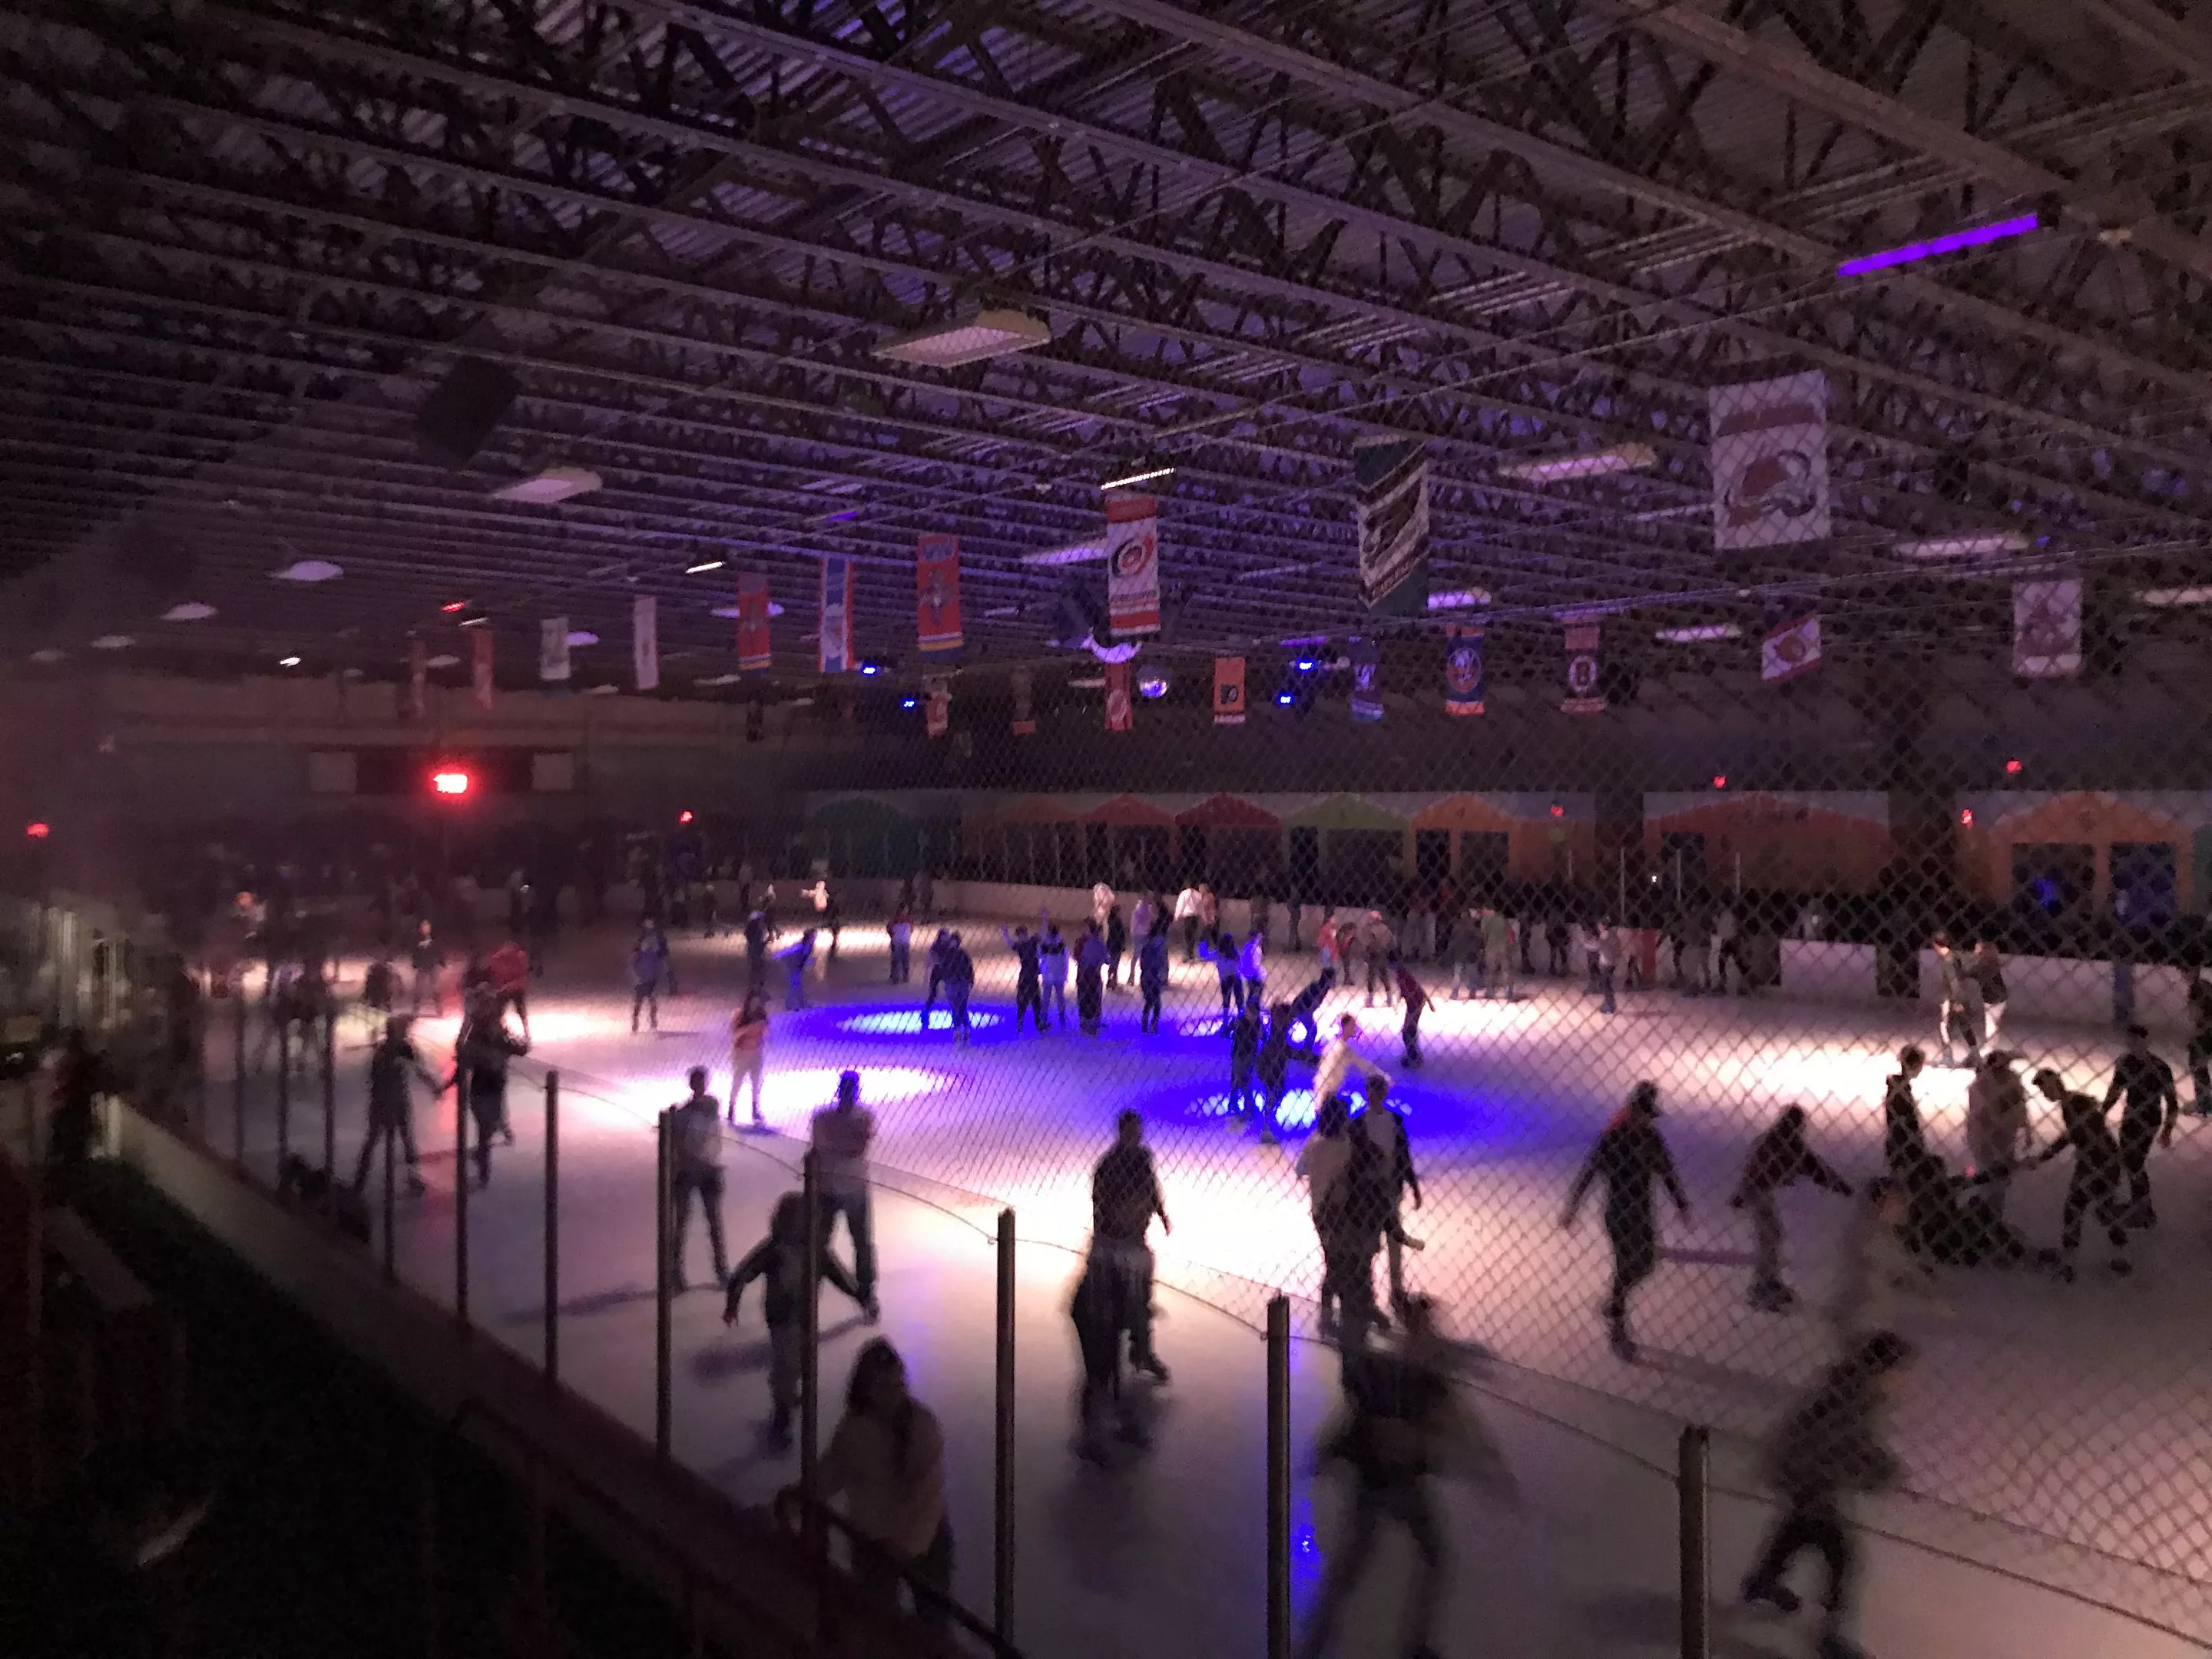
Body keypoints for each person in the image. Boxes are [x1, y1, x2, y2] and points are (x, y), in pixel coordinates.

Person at [1296, 1295, 1514, 1659]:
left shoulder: (1404, 1370)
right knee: (1403, 1559)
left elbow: (1454, 1420)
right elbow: (1363, 1420)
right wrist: (1487, 1469)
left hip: (1391, 1482)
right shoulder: (1410, 1374)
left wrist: (1328, 1453)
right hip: (1386, 1484)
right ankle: (1397, 1645)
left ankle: (1327, 1642)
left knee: (1390, 1560)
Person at [1740, 1333, 1917, 1659]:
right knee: (1843, 1555)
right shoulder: (1860, 1399)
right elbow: (1855, 1448)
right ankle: (1831, 1634)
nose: (1904, 1382)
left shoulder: (1846, 1385)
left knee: (1798, 1528)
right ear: (1884, 1369)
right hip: (1816, 1480)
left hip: (1802, 1473)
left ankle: (1763, 1579)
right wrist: (1886, 1473)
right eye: (1900, 1372)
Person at [805, 1340, 952, 1629]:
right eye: (884, 1387)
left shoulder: (922, 1427)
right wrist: (799, 1500)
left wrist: (902, 1547)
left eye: (898, 1386)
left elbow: (926, 1497)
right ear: (866, 1388)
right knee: (876, 1624)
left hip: (921, 1543)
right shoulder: (855, 1430)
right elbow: (830, 1472)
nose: (893, 1396)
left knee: (931, 1627)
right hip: (873, 1544)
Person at [1562, 1081, 1690, 1363]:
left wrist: (1681, 1204)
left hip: (1642, 1211)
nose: (1646, 1121)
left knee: (1646, 1263)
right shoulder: (1613, 1139)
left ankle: (1614, 1300)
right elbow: (1589, 1172)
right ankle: (1618, 1328)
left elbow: (1667, 1172)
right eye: (1643, 1115)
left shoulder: (1652, 1139)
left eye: (1649, 1116)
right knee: (1624, 1265)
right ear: (1632, 1112)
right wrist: (1573, 1206)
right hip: (1617, 1212)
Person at [726, 1193, 865, 1449]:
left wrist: (859, 1295)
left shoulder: (817, 1251)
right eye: (791, 1220)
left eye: (802, 1220)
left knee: (802, 1361)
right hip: (781, 1317)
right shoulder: (774, 1249)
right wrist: (732, 1302)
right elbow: (744, 1272)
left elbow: (838, 1275)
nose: (796, 1226)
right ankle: (781, 1415)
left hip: (805, 1316)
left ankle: (788, 1392)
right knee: (786, 1364)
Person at [1733, 1106, 1853, 1312]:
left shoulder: (1779, 1142)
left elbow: (1816, 1169)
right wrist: (1842, 1188)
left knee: (1771, 1236)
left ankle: (1767, 1281)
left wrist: (1841, 1187)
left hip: (1759, 1191)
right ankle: (1763, 1285)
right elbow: (1816, 1169)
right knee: (1770, 1236)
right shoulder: (1784, 1144)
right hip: (1758, 1192)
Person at [2028, 1069, 2134, 1280]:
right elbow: (2076, 1134)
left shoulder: (2073, 1104)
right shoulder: (2073, 1102)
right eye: (2042, 1091)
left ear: (2056, 1084)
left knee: (2074, 1209)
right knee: (2105, 1209)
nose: (2045, 1094)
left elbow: (2079, 1134)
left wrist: (2045, 1157)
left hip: (2096, 1163)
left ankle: (2070, 1263)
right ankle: (2120, 1257)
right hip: (2105, 1162)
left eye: (2045, 1089)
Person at [1091, 1110, 1171, 1382]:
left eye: (1138, 1132)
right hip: (1114, 1239)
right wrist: (1106, 1236)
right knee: (1120, 1294)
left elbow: (1153, 1189)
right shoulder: (1109, 1165)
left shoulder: (1142, 1159)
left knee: (1141, 1288)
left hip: (1135, 1238)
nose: (1137, 1136)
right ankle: (1130, 1348)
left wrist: (1162, 1215)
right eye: (1132, 1132)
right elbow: (1099, 1204)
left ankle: (1140, 1347)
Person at [1827, 1177, 1940, 1349]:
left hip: (1873, 1318)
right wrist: (1927, 1291)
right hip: (1863, 1321)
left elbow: (1903, 1267)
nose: (1902, 1207)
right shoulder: (1869, 1233)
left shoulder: (1883, 1232)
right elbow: (1900, 1266)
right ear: (1879, 1203)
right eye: (1897, 1202)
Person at [811, 1070, 880, 1319]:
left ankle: (865, 1293)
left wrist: (832, 1148)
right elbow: (855, 1147)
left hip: (844, 1186)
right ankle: (816, 1292)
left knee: (859, 1243)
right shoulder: (860, 1118)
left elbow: (854, 1149)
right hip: (837, 1187)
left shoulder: (826, 1118)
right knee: (827, 1244)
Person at [2102, 1023, 2181, 1227]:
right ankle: (2139, 1205)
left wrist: (2167, 1130)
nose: (2133, 1044)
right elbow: (2115, 1092)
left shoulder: (2161, 1068)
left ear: (2146, 1042)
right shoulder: (2126, 1064)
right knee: (2131, 1162)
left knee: (2135, 1163)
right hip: (2130, 1118)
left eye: (2137, 1040)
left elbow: (2172, 1103)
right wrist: (2101, 1114)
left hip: (2149, 1119)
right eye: (2131, 1041)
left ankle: (2144, 1210)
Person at [1359, 1075, 1423, 1312]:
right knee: (1372, 1244)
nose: (1376, 1095)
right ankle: (1370, 1290)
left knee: (1393, 1243)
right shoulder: (1358, 1123)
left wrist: (1413, 1186)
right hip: (1369, 1193)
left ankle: (1396, 1288)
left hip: (1390, 1188)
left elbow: (1404, 1156)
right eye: (1373, 1091)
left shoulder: (1395, 1121)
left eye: (1379, 1091)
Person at [452, 988, 527, 1187]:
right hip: (481, 1088)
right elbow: (464, 1059)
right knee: (485, 1128)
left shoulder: (501, 1033)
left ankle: (485, 1153)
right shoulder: (477, 1034)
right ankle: (484, 1168)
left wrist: (514, 1041)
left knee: (490, 1125)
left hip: (495, 1086)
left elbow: (521, 1049)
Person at [352, 1016, 435, 1195]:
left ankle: (362, 1180)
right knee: (378, 1140)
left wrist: (432, 1084)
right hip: (386, 1101)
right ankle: (360, 1181)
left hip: (394, 1100)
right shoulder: (385, 1052)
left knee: (403, 1140)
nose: (405, 1033)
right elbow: (379, 1076)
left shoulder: (399, 1049)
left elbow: (418, 1068)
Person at [667, 1068, 728, 1291]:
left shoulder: (697, 1111)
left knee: (712, 1222)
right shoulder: (688, 1113)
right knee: (684, 1223)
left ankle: (720, 1269)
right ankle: (677, 1272)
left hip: (704, 1169)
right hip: (694, 1170)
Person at [1962, 1051, 2031, 1224]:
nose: (2005, 1071)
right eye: (2000, 1068)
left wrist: (2028, 1131)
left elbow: (2022, 1106)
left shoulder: (2012, 1080)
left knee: (2002, 1180)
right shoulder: (1980, 1086)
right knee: (1988, 1178)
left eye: (2006, 1067)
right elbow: (1982, 1116)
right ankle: (1985, 1215)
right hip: (1985, 1141)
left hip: (2005, 1138)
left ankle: (1993, 1216)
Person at [1313, 1012, 1385, 1116]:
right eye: (1352, 1025)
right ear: (1345, 1027)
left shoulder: (1342, 1047)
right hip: (1327, 1094)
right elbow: (1325, 1074)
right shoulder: (1338, 1049)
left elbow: (1363, 1064)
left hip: (1329, 1093)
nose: (1355, 1028)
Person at [1930, 932, 1979, 1068]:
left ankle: (1948, 1057)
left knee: (1944, 1026)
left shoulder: (1947, 961)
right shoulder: (1954, 956)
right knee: (1964, 1026)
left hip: (1952, 999)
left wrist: (1956, 1002)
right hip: (1959, 997)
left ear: (1937, 945)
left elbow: (1953, 982)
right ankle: (1975, 1055)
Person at [1880, 1046, 1928, 1176]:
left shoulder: (1898, 1086)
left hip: (1900, 1140)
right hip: (1904, 1141)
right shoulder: (1901, 1089)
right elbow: (1903, 1118)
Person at [728, 990, 770, 1129]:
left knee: (757, 1082)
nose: (756, 1004)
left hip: (756, 1052)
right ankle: (731, 1108)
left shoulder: (761, 1015)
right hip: (741, 1053)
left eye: (758, 1002)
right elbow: (734, 1035)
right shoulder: (739, 1015)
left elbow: (766, 1034)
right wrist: (748, 1028)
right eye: (754, 1001)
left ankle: (755, 1108)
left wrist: (763, 1028)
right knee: (738, 1081)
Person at [1256, 1001, 1293, 1145]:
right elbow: (1284, 1050)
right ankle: (1266, 1128)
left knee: (1274, 1096)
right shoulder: (1279, 1033)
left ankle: (1268, 1123)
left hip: (1273, 1067)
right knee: (1272, 1096)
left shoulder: (1279, 1029)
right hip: (1271, 1068)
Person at [1002, 922, 1046, 1036]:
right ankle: (1021, 1023)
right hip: (1026, 977)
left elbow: (1042, 932)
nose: (1019, 938)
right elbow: (1010, 943)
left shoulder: (1031, 942)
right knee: (1023, 1002)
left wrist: (1044, 919)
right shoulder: (1022, 945)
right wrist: (1005, 933)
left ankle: (1037, 1023)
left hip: (1031, 977)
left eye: (1020, 935)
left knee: (1035, 1002)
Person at [1227, 998, 1262, 1128]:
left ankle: (1238, 1104)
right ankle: (1246, 1106)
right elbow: (1229, 1031)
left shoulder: (1257, 1023)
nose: (1252, 1016)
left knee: (1242, 1080)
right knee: (1240, 1080)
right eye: (1250, 1012)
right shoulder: (1240, 1022)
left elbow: (1260, 1037)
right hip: (1239, 1054)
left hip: (1250, 1055)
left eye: (1255, 1013)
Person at [1392, 952, 1429, 1068]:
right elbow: (1409, 990)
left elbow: (1415, 990)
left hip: (1415, 1005)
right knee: (1409, 1030)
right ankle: (1413, 1056)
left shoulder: (1402, 976)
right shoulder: (1402, 975)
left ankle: (1414, 1057)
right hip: (1414, 1004)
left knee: (1408, 1031)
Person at [1971, 939, 2008, 1051]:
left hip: (1994, 998)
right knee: (1993, 1024)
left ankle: (1989, 1049)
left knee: (1991, 1025)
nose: (1975, 950)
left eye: (1977, 948)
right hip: (1996, 997)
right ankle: (1990, 1047)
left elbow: (1975, 974)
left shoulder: (1985, 964)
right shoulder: (1988, 963)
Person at [631, 924, 667, 1032]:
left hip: (651, 980)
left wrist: (658, 975)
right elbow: (632, 965)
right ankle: (636, 1020)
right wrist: (636, 977)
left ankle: (652, 1021)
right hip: (641, 980)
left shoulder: (655, 955)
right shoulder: (639, 955)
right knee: (639, 1002)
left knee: (652, 1002)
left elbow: (660, 966)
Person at [1075, 920, 1108, 1038]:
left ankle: (1084, 1021)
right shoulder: (1100, 945)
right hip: (1095, 974)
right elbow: (1107, 960)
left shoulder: (1086, 944)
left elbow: (1082, 959)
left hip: (1085, 974)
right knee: (1096, 997)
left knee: (1085, 998)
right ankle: (1094, 1021)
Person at [941, 932, 975, 1044]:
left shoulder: (961, 954)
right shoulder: (950, 954)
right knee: (956, 1008)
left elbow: (969, 968)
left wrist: (970, 980)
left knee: (961, 1008)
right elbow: (943, 970)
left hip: (960, 984)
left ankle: (963, 1029)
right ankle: (959, 1030)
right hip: (954, 983)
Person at [2187, 968, 2212, 1117]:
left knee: (2197, 1066)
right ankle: (2204, 1100)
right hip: (2206, 1031)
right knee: (2199, 1067)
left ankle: (2203, 1103)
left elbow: (2195, 1014)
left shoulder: (2196, 989)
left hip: (2206, 1033)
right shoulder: (2205, 985)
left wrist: (2195, 1035)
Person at [1137, 920, 1168, 1034]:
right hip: (1153, 977)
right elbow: (1160, 962)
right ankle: (1153, 1026)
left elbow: (1142, 963)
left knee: (1149, 1002)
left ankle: (1145, 1025)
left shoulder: (1146, 946)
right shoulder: (1157, 947)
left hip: (1146, 977)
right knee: (1156, 1004)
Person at [409, 920, 445, 1015]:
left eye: (427, 927)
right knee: (419, 988)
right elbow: (414, 953)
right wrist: (415, 963)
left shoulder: (434, 940)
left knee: (435, 988)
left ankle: (439, 1009)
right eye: (424, 927)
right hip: (422, 966)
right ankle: (416, 1009)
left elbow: (438, 950)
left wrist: (442, 961)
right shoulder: (417, 941)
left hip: (432, 966)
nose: (425, 929)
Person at [1040, 921, 1071, 1029]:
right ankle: (1062, 1018)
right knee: (1060, 998)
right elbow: (1066, 960)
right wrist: (1066, 974)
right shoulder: (1062, 945)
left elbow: (1040, 957)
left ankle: (1044, 1019)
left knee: (1046, 998)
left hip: (1048, 975)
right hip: (1058, 975)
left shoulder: (1045, 945)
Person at [1481, 906, 1515, 1000]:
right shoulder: (1503, 919)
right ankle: (1508, 991)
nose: (1483, 912)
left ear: (1489, 910)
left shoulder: (1485, 920)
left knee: (1490, 970)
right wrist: (1511, 946)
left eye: (1484, 910)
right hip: (1504, 947)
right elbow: (1510, 933)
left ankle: (1490, 991)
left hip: (1491, 948)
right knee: (1506, 970)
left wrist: (1484, 946)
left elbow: (1484, 935)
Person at [921, 929, 951, 1023]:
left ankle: (956, 1011)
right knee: (933, 993)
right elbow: (929, 959)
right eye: (944, 936)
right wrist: (926, 974)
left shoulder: (950, 946)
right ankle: (926, 1011)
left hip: (947, 970)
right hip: (937, 970)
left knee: (951, 992)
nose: (946, 938)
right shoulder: (935, 946)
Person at [743, 906, 772, 994]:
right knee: (759, 968)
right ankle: (757, 986)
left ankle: (752, 986)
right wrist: (767, 940)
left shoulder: (750, 933)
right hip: (757, 952)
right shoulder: (757, 933)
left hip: (752, 951)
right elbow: (760, 946)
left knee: (754, 968)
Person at [1595, 919, 1621, 1014]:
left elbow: (1598, 946)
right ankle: (1609, 1003)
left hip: (1606, 962)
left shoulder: (1605, 934)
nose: (1598, 927)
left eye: (1600, 925)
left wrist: (1587, 944)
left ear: (1604, 926)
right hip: (1612, 962)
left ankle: (1610, 1005)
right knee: (1607, 984)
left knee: (1605, 984)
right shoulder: (1613, 934)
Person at [1174, 881, 1204, 963]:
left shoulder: (1184, 894)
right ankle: (1191, 953)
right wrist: (1203, 916)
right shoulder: (1198, 895)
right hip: (1195, 917)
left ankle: (1187, 953)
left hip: (1187, 917)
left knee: (1187, 936)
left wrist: (1176, 916)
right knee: (1193, 935)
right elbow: (1201, 907)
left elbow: (1180, 905)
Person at [886, 903, 912, 985]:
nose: (906, 911)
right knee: (896, 960)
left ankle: (905, 976)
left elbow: (911, 929)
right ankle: (895, 977)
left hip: (904, 941)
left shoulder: (908, 919)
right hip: (897, 942)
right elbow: (889, 928)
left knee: (905, 960)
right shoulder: (895, 918)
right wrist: (893, 936)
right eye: (905, 909)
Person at [1105, 902, 1128, 992]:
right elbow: (1121, 934)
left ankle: (1111, 980)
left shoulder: (1111, 920)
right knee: (1115, 964)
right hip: (1117, 944)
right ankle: (1113, 981)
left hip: (1112, 943)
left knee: (1113, 963)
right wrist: (1123, 943)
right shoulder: (1117, 922)